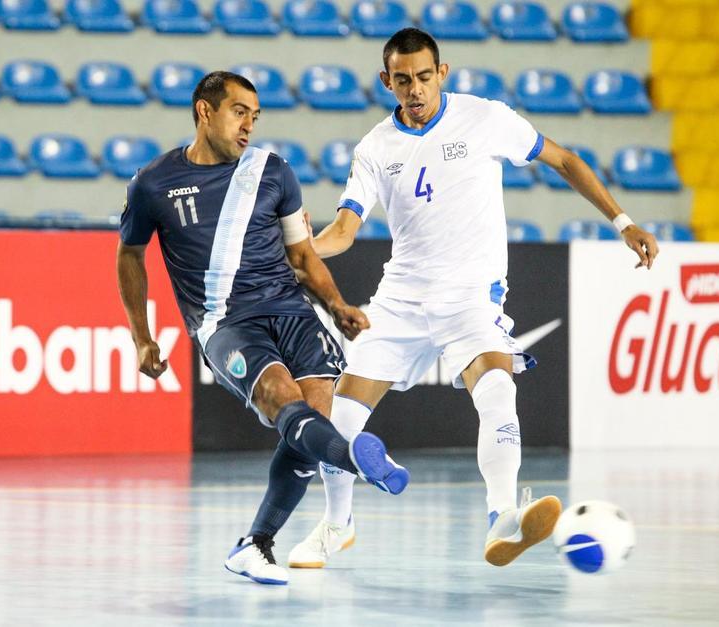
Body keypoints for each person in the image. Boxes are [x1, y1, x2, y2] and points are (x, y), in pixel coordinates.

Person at [287, 28, 659, 569]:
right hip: (401, 299)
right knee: (341, 416)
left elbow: (566, 160)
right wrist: (306, 247)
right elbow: (345, 229)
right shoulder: (374, 148)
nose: (414, 90)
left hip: (470, 296)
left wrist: (622, 222)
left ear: (443, 73)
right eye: (402, 80)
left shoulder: (486, 118)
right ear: (384, 81)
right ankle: (335, 525)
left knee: (496, 390)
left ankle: (502, 518)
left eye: (423, 77)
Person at [116, 71, 411, 586]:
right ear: (204, 112)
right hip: (225, 322)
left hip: (292, 310)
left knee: (313, 418)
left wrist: (338, 304)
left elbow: (301, 253)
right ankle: (355, 461)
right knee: (280, 399)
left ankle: (255, 544)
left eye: (255, 115)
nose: (249, 124)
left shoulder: (274, 172)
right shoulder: (153, 183)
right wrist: (142, 336)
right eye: (239, 111)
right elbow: (130, 256)